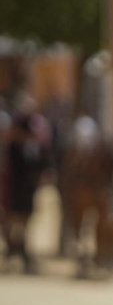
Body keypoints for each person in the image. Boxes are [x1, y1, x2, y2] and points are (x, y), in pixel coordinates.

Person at [4, 98, 50, 274]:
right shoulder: (14, 146)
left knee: (26, 221)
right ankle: (13, 252)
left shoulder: (33, 146)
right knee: (13, 221)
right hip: (13, 188)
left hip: (27, 188)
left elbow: (41, 163)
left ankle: (22, 252)